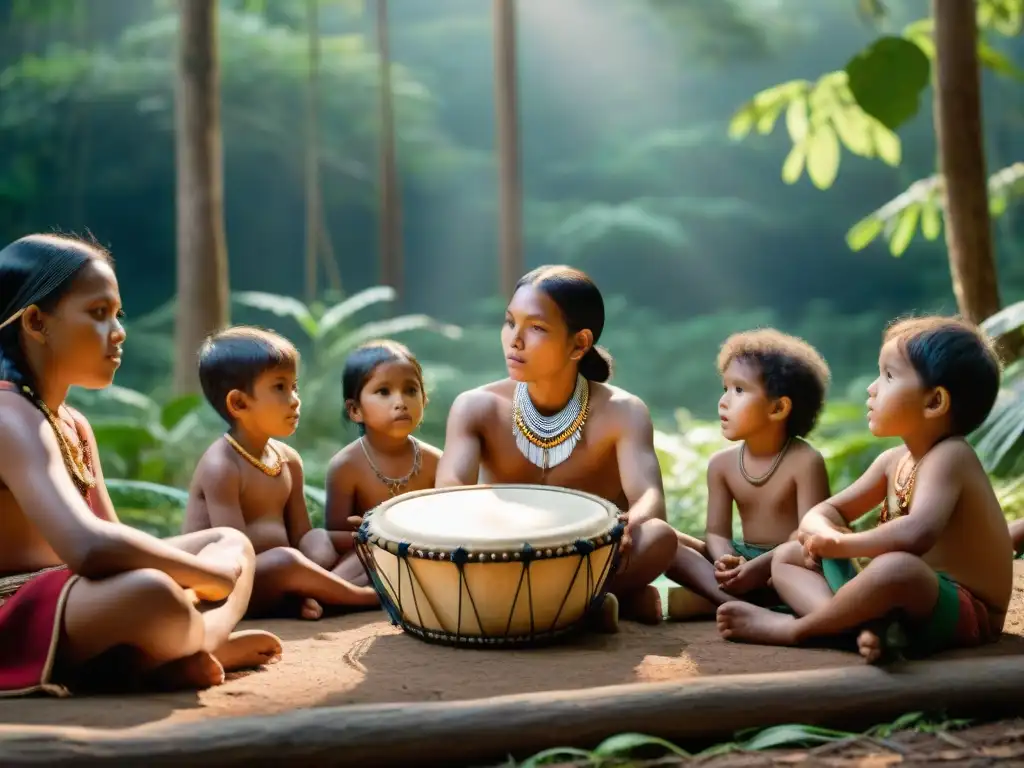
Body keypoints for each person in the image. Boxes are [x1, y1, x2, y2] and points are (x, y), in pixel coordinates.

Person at [0, 234, 281, 697]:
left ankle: (165, 652)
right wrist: (208, 577)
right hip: (14, 606)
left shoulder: (73, 423)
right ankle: (202, 641)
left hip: (72, 595)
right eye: (98, 313)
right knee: (152, 594)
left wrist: (204, 565)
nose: (118, 330)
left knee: (227, 539)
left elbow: (111, 536)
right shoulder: (10, 414)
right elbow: (89, 548)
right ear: (36, 321)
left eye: (118, 314)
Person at [717, 316, 1014, 663]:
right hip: (899, 604)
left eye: (888, 376)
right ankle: (857, 628)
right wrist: (822, 535)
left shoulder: (952, 456)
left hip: (963, 611)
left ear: (934, 402)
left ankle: (798, 629)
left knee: (898, 569)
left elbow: (918, 532)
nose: (872, 388)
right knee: (787, 556)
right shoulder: (892, 461)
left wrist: (841, 544)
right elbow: (824, 512)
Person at [435, 265, 677, 625]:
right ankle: (596, 605)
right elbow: (449, 493)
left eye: (536, 328)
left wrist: (630, 524)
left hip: (591, 555)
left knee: (658, 537)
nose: (515, 339)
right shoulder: (476, 407)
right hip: (504, 555)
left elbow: (649, 499)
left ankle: (558, 607)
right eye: (509, 322)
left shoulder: (623, 412)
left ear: (579, 343)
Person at [182, 327, 378, 620]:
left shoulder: (288, 460)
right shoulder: (222, 466)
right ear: (239, 403)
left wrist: (363, 537)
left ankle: (316, 596)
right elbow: (233, 555)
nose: (295, 399)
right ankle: (361, 597)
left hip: (287, 574)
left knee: (359, 543)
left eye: (294, 386)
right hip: (235, 581)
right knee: (284, 561)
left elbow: (303, 538)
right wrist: (293, 569)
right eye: (279, 387)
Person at [667, 329, 831, 618]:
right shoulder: (722, 464)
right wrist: (725, 559)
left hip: (789, 563)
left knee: (795, 565)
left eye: (739, 390)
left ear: (778, 407)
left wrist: (757, 568)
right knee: (666, 542)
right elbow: (717, 533)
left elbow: (809, 540)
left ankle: (735, 600)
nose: (724, 401)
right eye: (725, 388)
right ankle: (743, 600)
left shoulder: (805, 462)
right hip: (744, 558)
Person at [324, 341, 442, 556]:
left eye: (410, 390)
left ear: (424, 400)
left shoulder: (436, 462)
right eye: (384, 391)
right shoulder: (346, 467)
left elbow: (451, 523)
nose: (400, 402)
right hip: (366, 557)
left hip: (426, 557)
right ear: (355, 410)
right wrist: (375, 536)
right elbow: (335, 538)